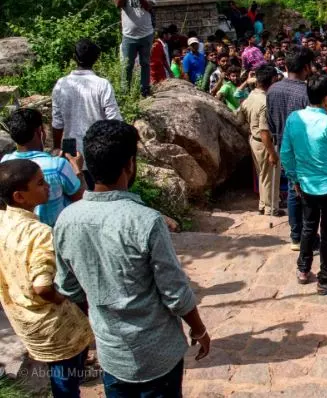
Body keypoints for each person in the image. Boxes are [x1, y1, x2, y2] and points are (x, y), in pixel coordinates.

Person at [53, 120, 211, 396]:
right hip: (157, 353)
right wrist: (198, 329)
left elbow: (69, 287)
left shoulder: (66, 220)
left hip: (112, 353)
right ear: (129, 165)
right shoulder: (146, 221)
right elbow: (174, 292)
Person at [0, 159, 95, 398]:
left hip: (23, 319)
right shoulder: (39, 233)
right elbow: (42, 286)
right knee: (65, 381)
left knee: (61, 374)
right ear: (20, 196)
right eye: (40, 183)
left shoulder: (3, 222)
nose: (48, 187)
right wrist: (62, 298)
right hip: (54, 326)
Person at [280, 74, 327, 295]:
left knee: (308, 226)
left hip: (306, 184)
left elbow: (285, 153)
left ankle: (303, 271)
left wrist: (294, 178)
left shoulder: (294, 119)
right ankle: (325, 279)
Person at [267, 48, 316, 251]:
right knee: (308, 194)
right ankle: (309, 238)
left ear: (286, 67)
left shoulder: (272, 90)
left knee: (292, 191)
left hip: (282, 146)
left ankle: (296, 236)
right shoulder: (307, 92)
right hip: (304, 149)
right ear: (306, 67)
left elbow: (269, 122)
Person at [2, 108, 85, 227]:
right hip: (54, 231)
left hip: (20, 230)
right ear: (39, 131)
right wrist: (77, 170)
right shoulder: (58, 165)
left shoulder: (5, 164)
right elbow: (80, 198)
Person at [51, 39, 122, 164]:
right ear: (96, 59)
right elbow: (114, 120)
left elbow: (57, 123)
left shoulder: (61, 84)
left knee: (74, 183)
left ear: (74, 58)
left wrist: (57, 147)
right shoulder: (102, 84)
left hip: (70, 153)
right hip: (97, 150)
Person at [238, 65, 279, 217]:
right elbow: (265, 132)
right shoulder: (265, 102)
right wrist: (272, 152)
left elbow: (239, 119)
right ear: (272, 80)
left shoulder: (250, 97)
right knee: (269, 177)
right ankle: (271, 208)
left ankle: (263, 204)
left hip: (253, 140)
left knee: (262, 175)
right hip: (264, 142)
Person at [114, 0, 156, 97]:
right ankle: (125, 92)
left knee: (145, 63)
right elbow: (118, 4)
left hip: (146, 34)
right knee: (127, 65)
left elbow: (148, 6)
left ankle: (145, 89)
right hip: (128, 35)